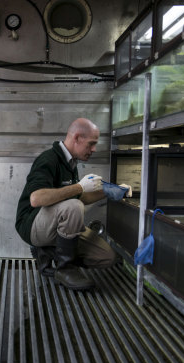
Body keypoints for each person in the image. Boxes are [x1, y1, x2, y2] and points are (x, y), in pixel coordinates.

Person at [15, 118, 132, 291]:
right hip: (32, 224)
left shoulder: (71, 164)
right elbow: (36, 199)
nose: (94, 149)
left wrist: (110, 191)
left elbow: (79, 196)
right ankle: (65, 269)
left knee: (107, 256)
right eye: (91, 144)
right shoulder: (49, 159)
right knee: (74, 207)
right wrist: (79, 187)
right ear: (77, 138)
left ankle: (48, 252)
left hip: (56, 223)